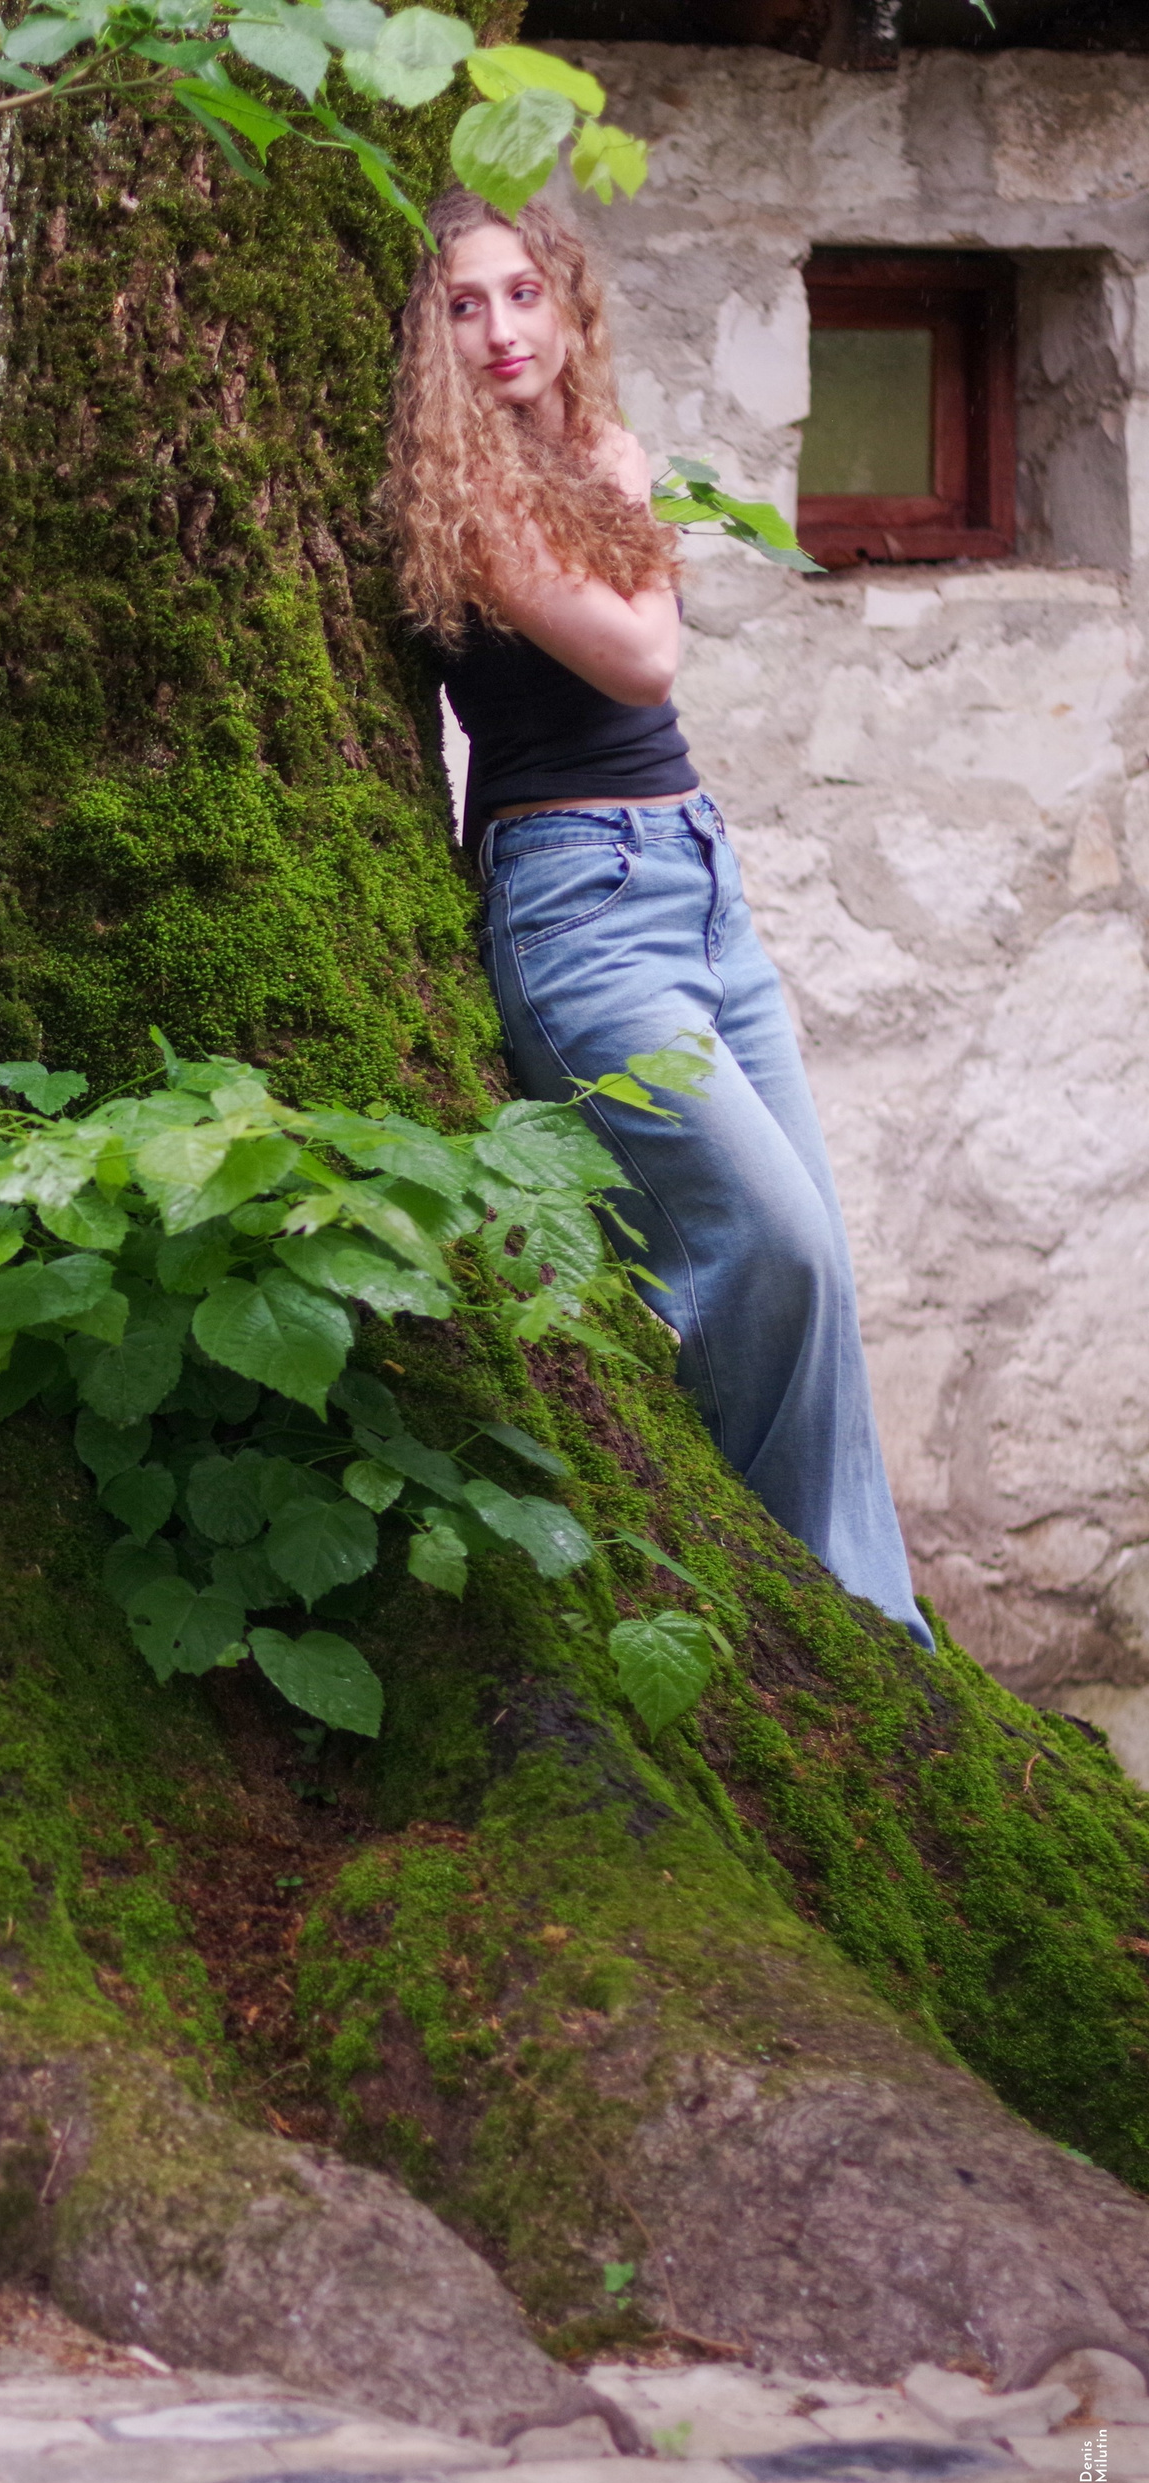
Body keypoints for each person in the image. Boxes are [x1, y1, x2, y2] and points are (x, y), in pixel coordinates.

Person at [380, 185, 933, 1650]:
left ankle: (880, 1636)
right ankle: (775, 1609)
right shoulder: (473, 492)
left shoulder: (583, 465)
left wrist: (613, 484)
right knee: (771, 1253)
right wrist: (624, 492)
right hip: (575, 903)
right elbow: (639, 656)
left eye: (521, 294)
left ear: (566, 306)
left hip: (697, 882)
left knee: (818, 1262)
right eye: (461, 304)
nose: (501, 330)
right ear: (427, 337)